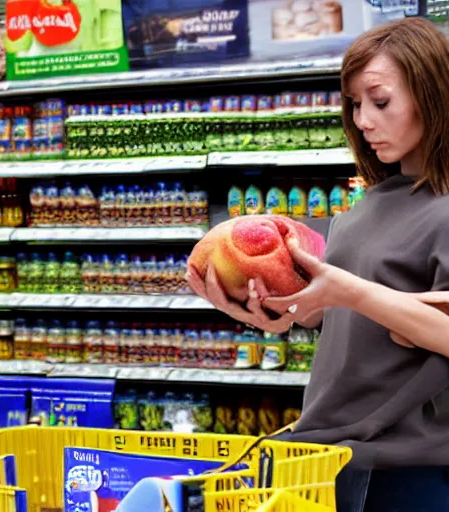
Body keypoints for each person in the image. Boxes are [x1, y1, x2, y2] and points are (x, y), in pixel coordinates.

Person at [186, 17, 449, 512]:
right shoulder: (365, 207)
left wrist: (348, 291)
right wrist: (275, 312)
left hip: (406, 466)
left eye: (380, 100)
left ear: (432, 93)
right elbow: (350, 323)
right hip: (328, 452)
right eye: (353, 104)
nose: (364, 120)